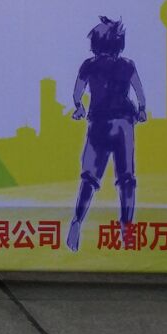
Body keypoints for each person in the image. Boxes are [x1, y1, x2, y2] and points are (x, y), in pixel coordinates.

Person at [66, 16, 148, 252]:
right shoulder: (127, 65)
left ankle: (77, 221)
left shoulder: (88, 65)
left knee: (89, 178)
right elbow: (140, 93)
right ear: (119, 43)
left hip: (98, 123)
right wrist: (142, 110)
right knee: (126, 179)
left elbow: (77, 93)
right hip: (123, 124)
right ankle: (127, 228)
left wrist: (79, 108)